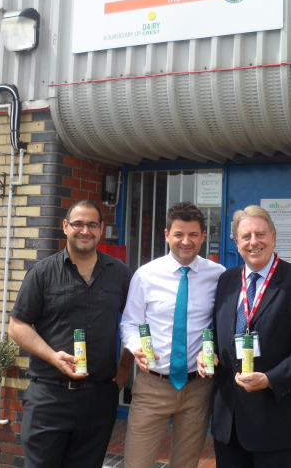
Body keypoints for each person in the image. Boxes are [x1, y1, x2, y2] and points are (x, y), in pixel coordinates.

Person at [8, 199, 133, 468]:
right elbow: (17, 326)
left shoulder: (120, 274)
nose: (84, 231)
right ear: (65, 226)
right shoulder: (42, 273)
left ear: (101, 229)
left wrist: (125, 364)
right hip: (49, 397)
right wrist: (53, 357)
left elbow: (136, 322)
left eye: (92, 225)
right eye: (78, 224)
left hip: (99, 397)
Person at [198, 205, 291, 468]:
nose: (254, 242)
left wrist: (270, 379)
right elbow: (215, 329)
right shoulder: (227, 280)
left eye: (260, 234)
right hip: (228, 420)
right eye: (246, 236)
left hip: (274, 420)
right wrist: (205, 354)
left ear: (273, 237)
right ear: (236, 242)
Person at [120, 201, 226, 468]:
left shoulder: (219, 276)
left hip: (197, 388)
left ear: (203, 236)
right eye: (178, 234)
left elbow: (220, 325)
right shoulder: (145, 275)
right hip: (152, 385)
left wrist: (211, 348)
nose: (185, 241)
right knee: (137, 462)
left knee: (186, 464)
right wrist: (135, 347)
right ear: (166, 235)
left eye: (193, 234)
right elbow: (129, 323)